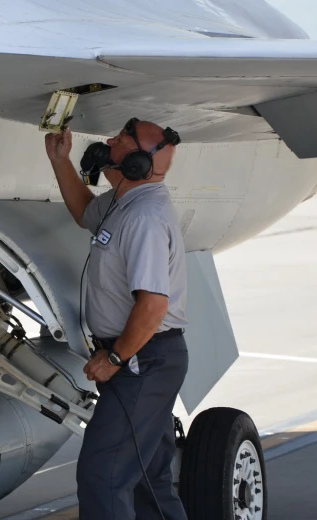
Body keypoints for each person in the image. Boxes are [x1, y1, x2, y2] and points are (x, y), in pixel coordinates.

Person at [45, 118, 189, 520]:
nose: (109, 141)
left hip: (142, 359)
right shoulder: (124, 201)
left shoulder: (144, 217)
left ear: (139, 163)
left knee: (104, 475)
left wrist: (114, 359)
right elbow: (84, 212)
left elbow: (153, 305)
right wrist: (61, 161)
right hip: (142, 358)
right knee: (147, 477)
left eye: (122, 139)